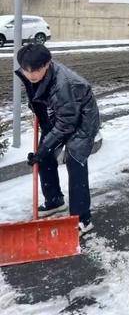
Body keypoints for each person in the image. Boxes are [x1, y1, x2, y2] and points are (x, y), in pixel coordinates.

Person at [15, 44, 100, 236]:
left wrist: (45, 147)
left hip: (82, 121)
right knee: (43, 156)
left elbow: (67, 124)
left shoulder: (65, 84)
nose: (30, 75)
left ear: (47, 64)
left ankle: (82, 219)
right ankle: (54, 200)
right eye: (26, 70)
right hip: (59, 116)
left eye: (35, 70)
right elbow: (41, 97)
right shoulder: (35, 73)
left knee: (74, 160)